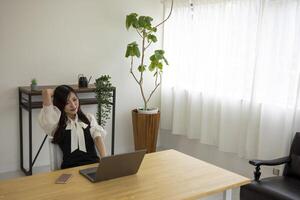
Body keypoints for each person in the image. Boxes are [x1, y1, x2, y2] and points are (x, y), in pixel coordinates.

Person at [38, 85, 106, 169]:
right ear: (60, 104)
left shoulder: (88, 118)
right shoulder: (56, 124)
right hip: (70, 170)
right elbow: (46, 92)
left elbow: (97, 138)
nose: (73, 105)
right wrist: (59, 92)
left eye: (74, 99)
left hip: (93, 166)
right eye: (67, 103)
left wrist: (105, 161)